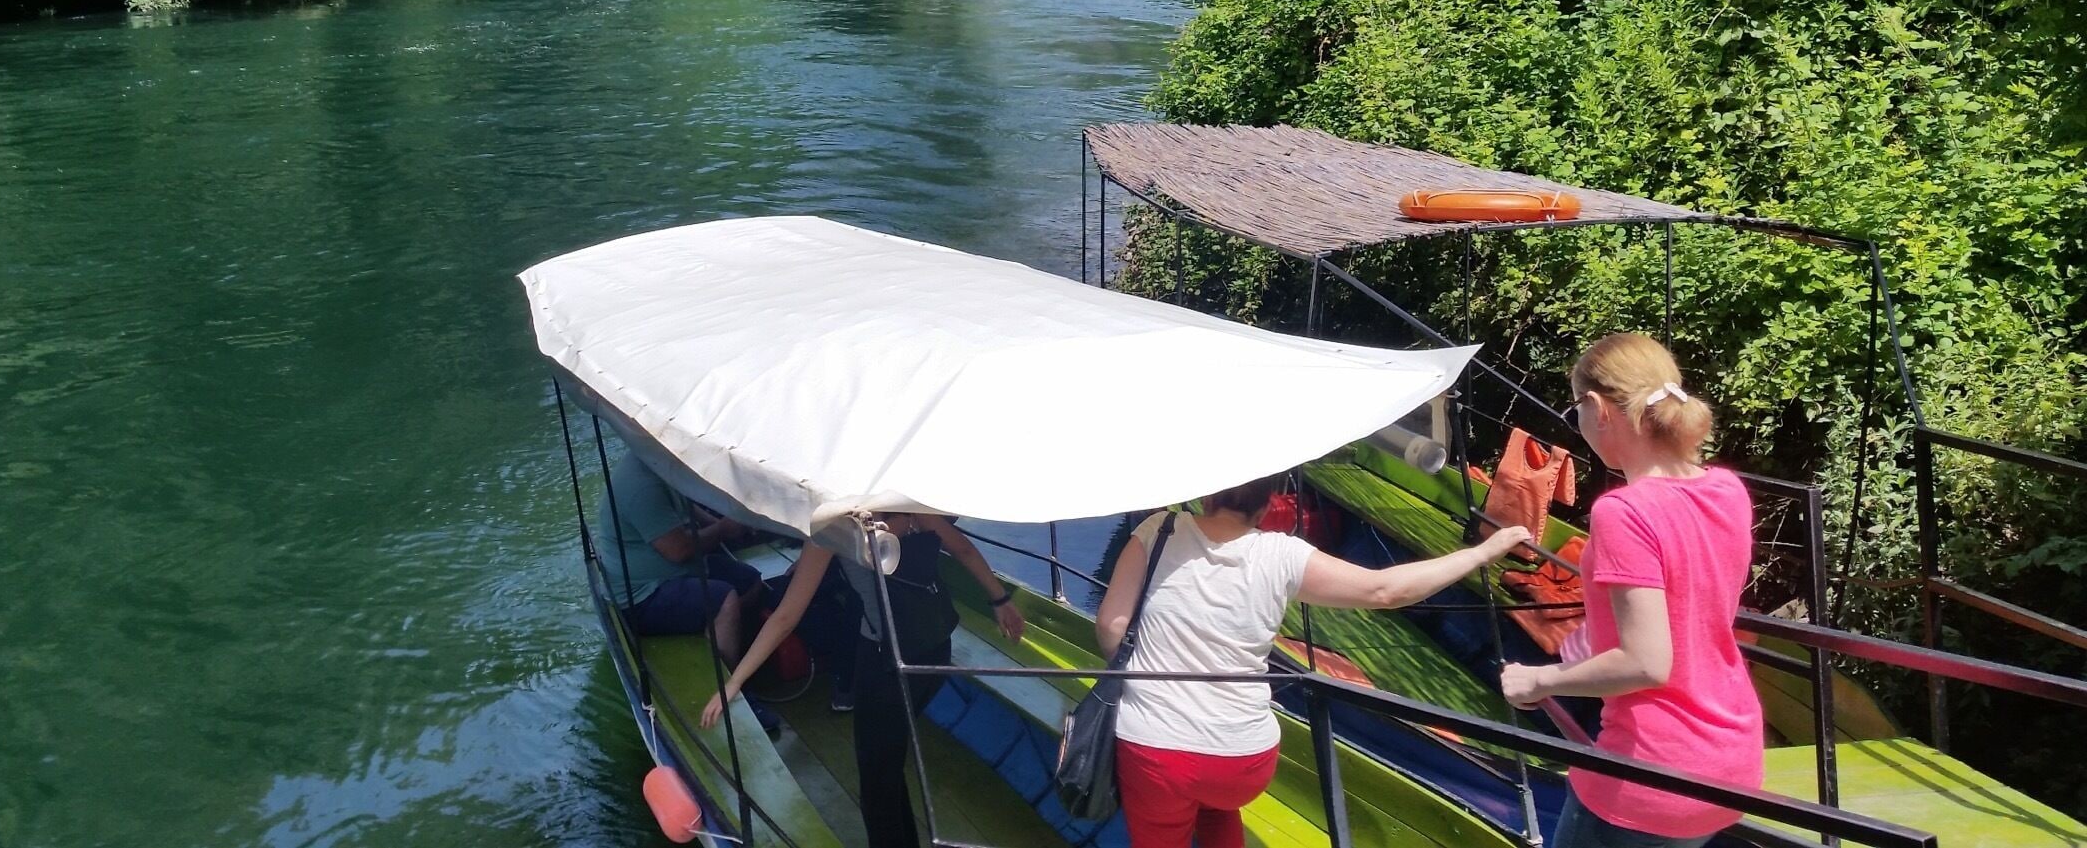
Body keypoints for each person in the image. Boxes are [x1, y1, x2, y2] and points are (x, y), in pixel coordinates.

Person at [1098, 475, 1530, 848]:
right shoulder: (1282, 555)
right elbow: (1385, 590)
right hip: (1242, 760)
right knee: (1216, 806)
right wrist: (1480, 553)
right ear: (1268, 505)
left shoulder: (1159, 530)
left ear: (1207, 494)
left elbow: (1111, 629)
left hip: (1158, 751)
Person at [1499, 333, 1761, 848]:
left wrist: (1539, 682)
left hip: (1652, 774)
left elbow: (1645, 662)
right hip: (1730, 760)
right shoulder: (1727, 489)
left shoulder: (1624, 512)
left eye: (1576, 406)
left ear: (1598, 409)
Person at [700, 512, 1026, 848]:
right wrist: (1000, 600)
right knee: (888, 759)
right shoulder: (912, 510)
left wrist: (734, 680)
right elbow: (964, 550)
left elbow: (785, 617)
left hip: (886, 664)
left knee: (875, 783)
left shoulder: (832, 529)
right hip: (934, 652)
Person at [598, 451, 766, 662]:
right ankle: (726, 681)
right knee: (725, 600)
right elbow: (678, 550)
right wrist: (723, 529)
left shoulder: (659, 464)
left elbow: (685, 503)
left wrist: (716, 524)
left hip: (679, 571)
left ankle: (734, 644)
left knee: (750, 581)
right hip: (642, 596)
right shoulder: (641, 486)